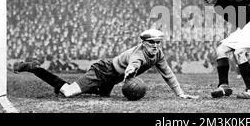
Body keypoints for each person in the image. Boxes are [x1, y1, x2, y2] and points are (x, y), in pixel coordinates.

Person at [14, 29, 199, 99]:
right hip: (102, 71)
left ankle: (85, 87)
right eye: (152, 42)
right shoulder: (139, 55)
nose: (156, 46)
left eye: (158, 42)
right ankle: (34, 68)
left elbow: (168, 74)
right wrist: (129, 77)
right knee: (68, 92)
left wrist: (180, 94)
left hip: (112, 78)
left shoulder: (158, 54)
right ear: (144, 43)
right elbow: (133, 66)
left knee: (102, 96)